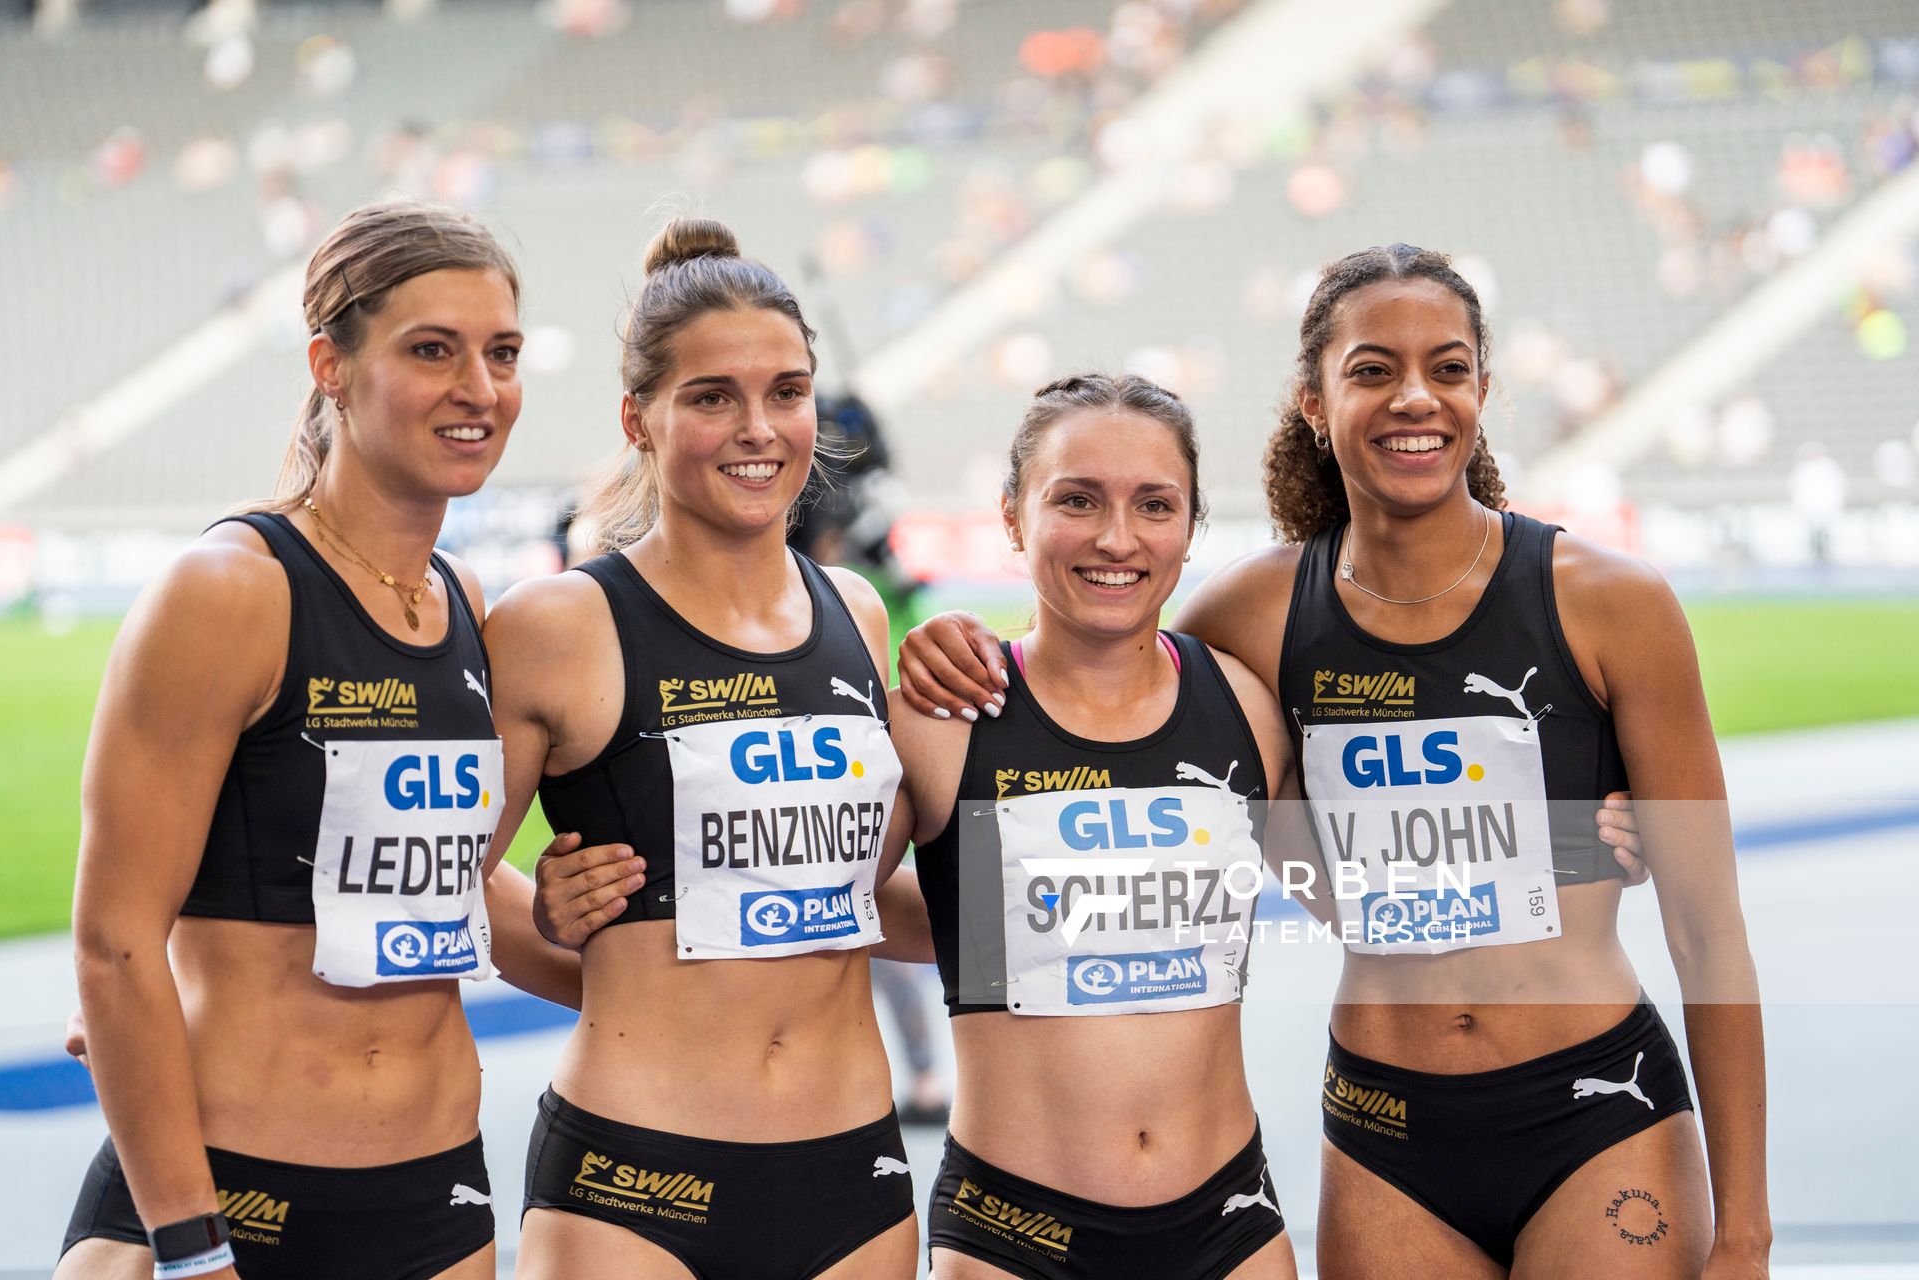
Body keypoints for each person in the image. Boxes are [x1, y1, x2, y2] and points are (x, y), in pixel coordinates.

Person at [898, 245, 1756, 1279]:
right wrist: (962, 641)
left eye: (1447, 367)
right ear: (1313, 399)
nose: (1414, 398)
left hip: (1593, 1105)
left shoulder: (1610, 599)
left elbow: (1710, 931)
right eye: (1371, 369)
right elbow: (1094, 681)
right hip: (1387, 1133)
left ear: (1484, 388)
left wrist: (1745, 1227)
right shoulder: (1248, 616)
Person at [56, 200, 611, 1280]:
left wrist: (565, 913)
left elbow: (429, 890)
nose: (480, 389)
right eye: (432, 351)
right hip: (225, 1198)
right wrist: (187, 1244)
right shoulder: (228, 592)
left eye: (502, 353)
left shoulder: (461, 600)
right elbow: (113, 940)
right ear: (332, 364)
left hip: (433, 1201)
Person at [485, 217, 919, 1280]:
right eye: (712, 396)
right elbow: (431, 883)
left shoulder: (856, 615)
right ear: (638, 417)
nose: (758, 427)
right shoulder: (557, 626)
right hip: (634, 1181)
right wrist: (605, 961)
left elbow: (856, 891)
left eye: (787, 389)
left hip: (852, 1176)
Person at [888, 373, 1300, 1279]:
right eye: (1077, 501)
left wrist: (1598, 844)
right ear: (1011, 517)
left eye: (1155, 505)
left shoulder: (1251, 710)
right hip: (1013, 1232)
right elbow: (810, 907)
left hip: (1229, 1226)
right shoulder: (937, 717)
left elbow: (1376, 886)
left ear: (1191, 527)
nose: (1118, 538)